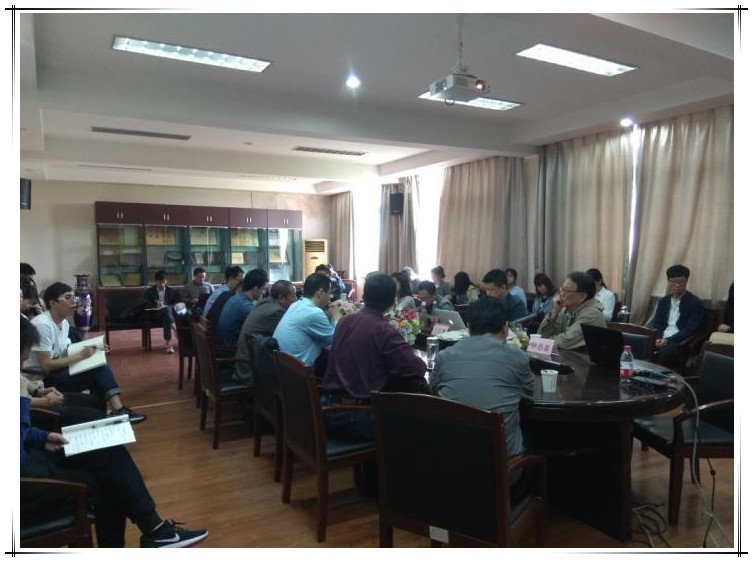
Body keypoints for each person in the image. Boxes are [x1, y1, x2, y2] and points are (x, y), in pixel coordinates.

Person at [20, 316, 208, 548]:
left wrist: (41, 436)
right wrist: (23, 398)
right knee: (108, 485)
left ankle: (156, 530)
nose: (20, 368)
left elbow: (19, 430)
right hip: (25, 480)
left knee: (106, 448)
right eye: (20, 360)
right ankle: (154, 530)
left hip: (31, 456)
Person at [322, 273, 428, 441]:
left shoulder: (345, 321)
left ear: (364, 296)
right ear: (392, 301)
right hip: (356, 417)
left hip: (326, 409)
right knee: (416, 423)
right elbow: (417, 369)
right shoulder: (383, 330)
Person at [23, 282, 146, 423]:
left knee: (97, 363)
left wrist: (94, 348)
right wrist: (81, 355)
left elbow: (65, 352)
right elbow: (46, 365)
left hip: (57, 370)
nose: (74, 302)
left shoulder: (64, 323)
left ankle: (103, 414)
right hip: (43, 379)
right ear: (53, 303)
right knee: (98, 369)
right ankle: (115, 410)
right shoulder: (43, 325)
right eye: (68, 298)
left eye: (74, 297)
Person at [430, 297, 533, 459]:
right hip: (500, 466)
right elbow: (528, 394)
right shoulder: (518, 358)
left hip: (449, 458)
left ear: (469, 329)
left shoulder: (444, 356)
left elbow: (434, 391)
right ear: (505, 329)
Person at [234, 280, 297, 386]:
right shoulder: (277, 312)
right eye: (294, 296)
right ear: (281, 298)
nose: (296, 300)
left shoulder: (264, 302)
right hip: (251, 371)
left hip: (244, 364)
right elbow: (289, 335)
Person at [273, 273, 340, 366]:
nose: (330, 297)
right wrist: (336, 316)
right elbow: (334, 339)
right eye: (329, 293)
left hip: (282, 366)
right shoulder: (315, 313)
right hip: (299, 370)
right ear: (320, 293)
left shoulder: (295, 305)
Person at [652, 264, 705, 370]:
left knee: (665, 353)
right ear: (668, 281)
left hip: (679, 340)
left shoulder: (695, 303)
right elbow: (657, 322)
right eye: (673, 281)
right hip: (661, 337)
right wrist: (658, 337)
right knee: (641, 344)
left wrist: (668, 340)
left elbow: (691, 328)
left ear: (686, 281)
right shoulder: (663, 301)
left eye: (681, 281)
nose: (677, 285)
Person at [537, 271, 606, 350]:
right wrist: (554, 313)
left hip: (583, 358)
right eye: (561, 289)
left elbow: (565, 341)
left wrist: (541, 343)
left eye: (566, 290)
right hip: (566, 356)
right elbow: (541, 335)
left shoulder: (592, 315)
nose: (561, 294)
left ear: (582, 296)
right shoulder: (565, 309)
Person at [214, 269, 269, 347]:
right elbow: (263, 326)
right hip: (231, 349)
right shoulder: (246, 306)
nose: (264, 293)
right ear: (256, 288)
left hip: (223, 344)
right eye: (264, 289)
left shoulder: (235, 298)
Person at [144, 270, 181, 354]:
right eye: (160, 282)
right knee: (166, 311)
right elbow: (145, 303)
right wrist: (156, 305)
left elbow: (178, 302)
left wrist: (168, 306)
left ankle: (168, 344)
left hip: (168, 315)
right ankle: (175, 329)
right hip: (155, 314)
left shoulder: (171, 291)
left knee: (166, 313)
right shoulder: (150, 292)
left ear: (166, 281)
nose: (162, 284)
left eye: (163, 282)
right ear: (156, 282)